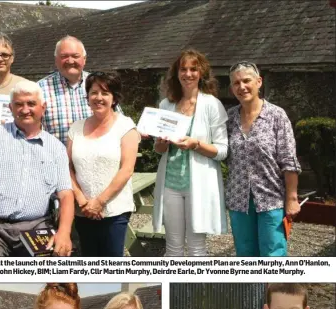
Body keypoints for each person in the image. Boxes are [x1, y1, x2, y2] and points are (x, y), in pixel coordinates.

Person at [0, 80, 74, 257]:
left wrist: (64, 232)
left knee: (50, 273)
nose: (25, 109)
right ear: (10, 108)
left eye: (31, 104)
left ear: (43, 107)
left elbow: (66, 194)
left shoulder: (55, 147)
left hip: (38, 226)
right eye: (19, 104)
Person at [152, 48, 228, 256]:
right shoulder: (166, 105)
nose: (188, 74)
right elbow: (159, 151)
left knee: (197, 250)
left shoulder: (212, 105)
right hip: (170, 184)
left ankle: (197, 288)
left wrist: (196, 144)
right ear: (176, 73)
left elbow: (222, 151)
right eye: (183, 69)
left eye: (193, 69)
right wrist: (161, 143)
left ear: (202, 72)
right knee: (173, 248)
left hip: (199, 185)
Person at [226, 62, 302, 257]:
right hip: (239, 199)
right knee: (245, 255)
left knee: (273, 255)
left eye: (246, 81)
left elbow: (288, 160)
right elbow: (217, 150)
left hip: (271, 198)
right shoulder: (229, 118)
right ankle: (251, 289)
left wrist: (292, 198)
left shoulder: (277, 115)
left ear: (259, 82)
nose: (241, 87)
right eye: (236, 83)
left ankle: (273, 288)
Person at [67, 72, 140, 256]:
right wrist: (83, 202)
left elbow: (127, 169)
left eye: (105, 93)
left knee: (110, 268)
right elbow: (67, 167)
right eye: (94, 92)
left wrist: (99, 202)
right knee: (88, 266)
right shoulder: (75, 128)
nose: (98, 98)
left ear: (114, 98)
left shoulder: (126, 127)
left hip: (113, 211)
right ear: (87, 97)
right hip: (82, 211)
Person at [38, 36, 92, 144]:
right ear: (56, 60)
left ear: (84, 59)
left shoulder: (99, 84)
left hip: (95, 158)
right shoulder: (40, 89)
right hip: (55, 159)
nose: (70, 61)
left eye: (75, 56)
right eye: (64, 56)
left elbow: (117, 121)